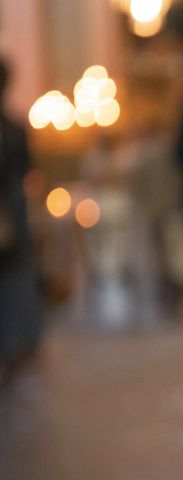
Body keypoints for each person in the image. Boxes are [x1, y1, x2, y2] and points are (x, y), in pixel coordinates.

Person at [0, 58, 42, 386]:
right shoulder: (14, 127)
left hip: (9, 215)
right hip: (12, 213)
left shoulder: (13, 128)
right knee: (16, 281)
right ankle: (19, 341)